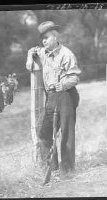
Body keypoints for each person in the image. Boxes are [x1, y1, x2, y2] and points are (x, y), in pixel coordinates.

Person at [26, 21, 81, 176]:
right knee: (43, 131)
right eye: (42, 38)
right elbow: (29, 66)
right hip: (51, 97)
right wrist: (30, 56)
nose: (44, 41)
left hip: (67, 95)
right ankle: (50, 168)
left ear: (55, 37)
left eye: (47, 38)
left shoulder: (66, 54)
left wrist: (62, 85)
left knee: (66, 133)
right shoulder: (42, 53)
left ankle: (68, 170)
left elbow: (74, 77)